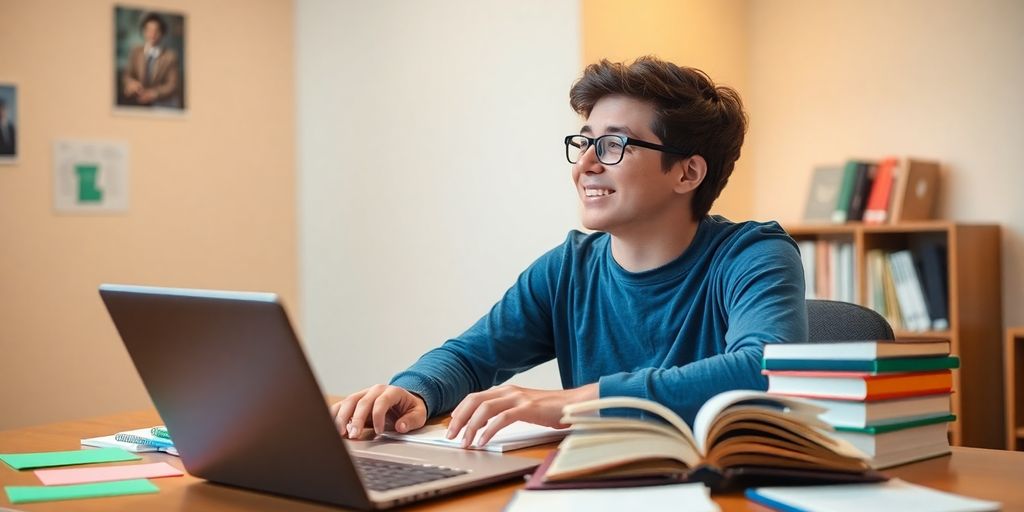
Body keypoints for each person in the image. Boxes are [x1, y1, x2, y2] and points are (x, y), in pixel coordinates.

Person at [330, 56, 807, 448]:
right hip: (592, 488)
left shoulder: (753, 254)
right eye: (584, 142)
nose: (585, 164)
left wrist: (575, 402)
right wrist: (413, 390)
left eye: (613, 144)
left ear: (687, 173)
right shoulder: (568, 269)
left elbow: (764, 368)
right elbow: (470, 357)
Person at [121, 12, 181, 108]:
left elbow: (172, 85)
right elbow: (127, 74)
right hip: (136, 102)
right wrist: (131, 83)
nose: (152, 34)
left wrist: (153, 94)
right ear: (143, 32)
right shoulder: (136, 51)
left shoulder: (170, 56)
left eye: (156, 30)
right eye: (149, 30)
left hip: (160, 104)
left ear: (162, 33)